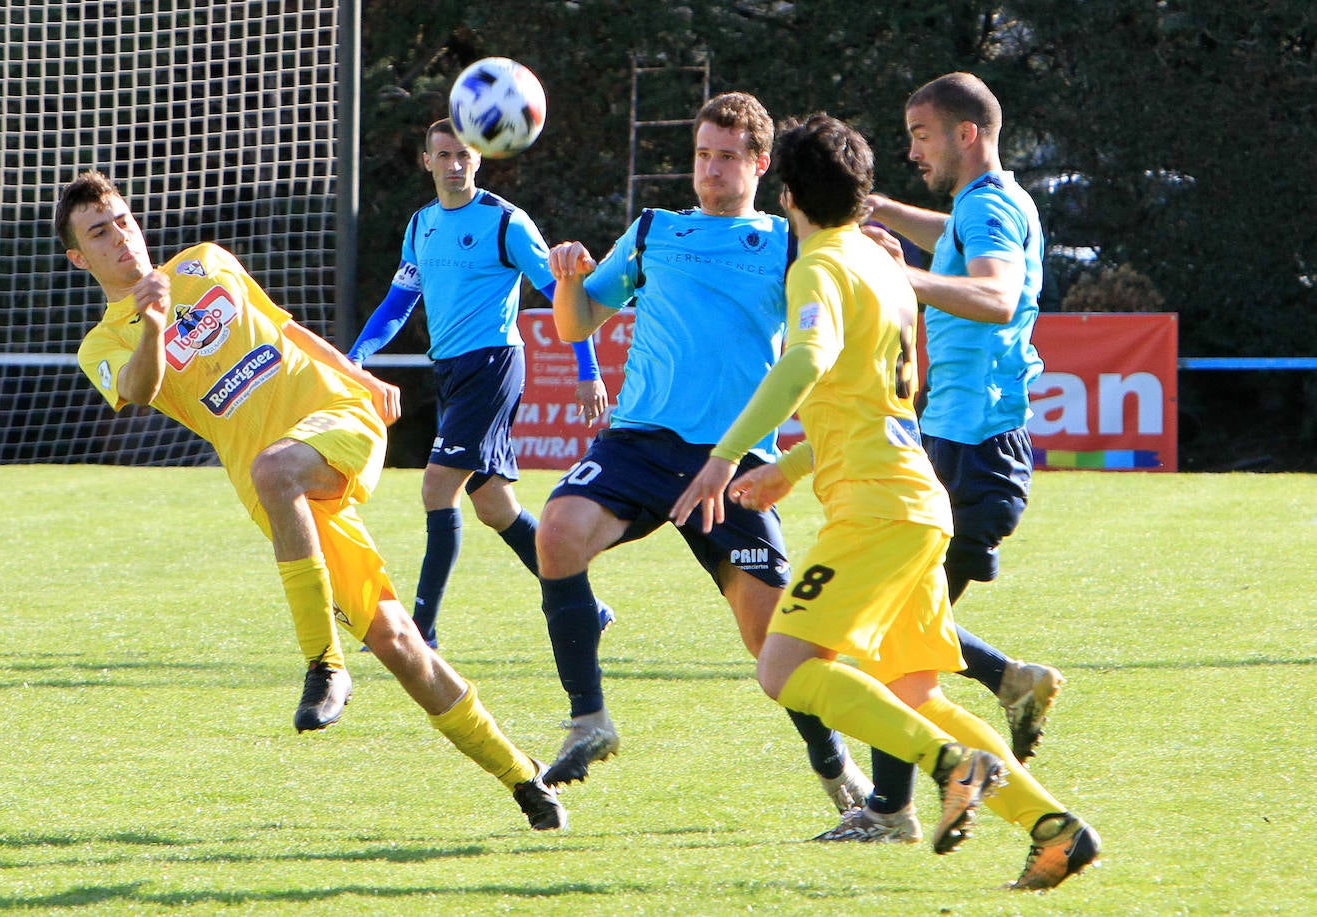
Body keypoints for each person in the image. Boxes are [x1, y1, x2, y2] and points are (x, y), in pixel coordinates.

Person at [59, 169, 566, 831]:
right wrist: (152, 322)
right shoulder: (103, 342)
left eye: (123, 220)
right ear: (79, 257)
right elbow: (138, 388)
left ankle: (324, 665)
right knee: (396, 641)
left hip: (335, 416)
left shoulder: (206, 261)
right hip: (280, 490)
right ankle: (523, 775)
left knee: (276, 469)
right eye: (99, 232)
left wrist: (361, 376)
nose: (120, 236)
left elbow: (286, 329)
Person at [671, 113, 1101, 890]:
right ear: (861, 191)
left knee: (784, 667)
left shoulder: (819, 266)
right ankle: (1055, 828)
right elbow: (877, 396)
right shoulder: (882, 267)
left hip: (876, 509)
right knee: (915, 692)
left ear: (788, 195)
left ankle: (950, 764)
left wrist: (726, 455)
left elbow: (807, 359)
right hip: (916, 500)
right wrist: (792, 466)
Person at [537, 92, 873, 814]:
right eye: (701, 154)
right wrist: (568, 277)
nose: (710, 169)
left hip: (735, 457)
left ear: (760, 164)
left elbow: (831, 320)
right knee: (557, 531)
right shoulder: (653, 230)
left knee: (774, 644)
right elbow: (576, 322)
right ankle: (589, 719)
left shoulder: (787, 243)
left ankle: (837, 770)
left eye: (726, 156)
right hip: (639, 441)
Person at [843, 71, 1062, 843]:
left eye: (922, 135)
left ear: (966, 134)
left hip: (975, 453)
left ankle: (893, 809)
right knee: (897, 632)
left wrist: (895, 272)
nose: (913, 151)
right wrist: (882, 211)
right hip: (960, 446)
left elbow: (997, 295)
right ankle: (1009, 681)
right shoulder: (985, 203)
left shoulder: (991, 206)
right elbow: (958, 239)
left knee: (890, 634)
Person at [348, 118, 612, 650]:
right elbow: (398, 303)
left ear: (479, 159)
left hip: (492, 365)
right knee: (494, 506)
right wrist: (354, 359)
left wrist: (588, 371)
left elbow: (565, 298)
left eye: (463, 155)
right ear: (427, 161)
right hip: (451, 371)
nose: (454, 165)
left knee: (436, 487)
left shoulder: (505, 221)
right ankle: (586, 604)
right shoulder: (421, 224)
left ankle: (421, 632)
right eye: (443, 156)